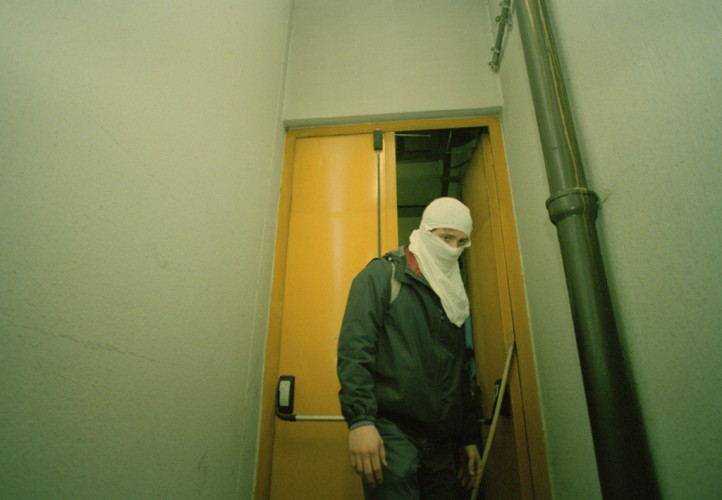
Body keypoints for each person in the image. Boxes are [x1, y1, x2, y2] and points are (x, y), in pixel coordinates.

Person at [337, 197, 482, 499]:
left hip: (441, 441)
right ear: (426, 231)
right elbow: (355, 351)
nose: (452, 248)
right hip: (393, 431)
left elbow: (458, 369)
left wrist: (467, 437)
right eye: (446, 237)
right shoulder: (382, 275)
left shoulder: (452, 292)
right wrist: (360, 421)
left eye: (461, 242)